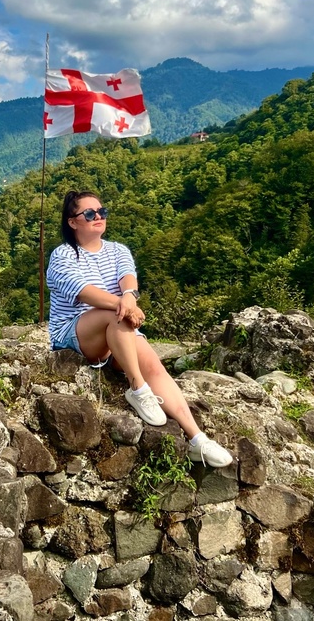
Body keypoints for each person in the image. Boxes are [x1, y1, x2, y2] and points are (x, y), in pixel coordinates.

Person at [46, 190, 233, 468]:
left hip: (118, 325)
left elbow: (128, 280)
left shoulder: (118, 250)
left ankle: (197, 438)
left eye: (101, 211)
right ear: (72, 222)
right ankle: (137, 387)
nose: (98, 216)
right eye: (89, 213)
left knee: (155, 367)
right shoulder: (62, 255)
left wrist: (129, 299)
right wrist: (125, 307)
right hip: (77, 331)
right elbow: (84, 292)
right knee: (114, 316)